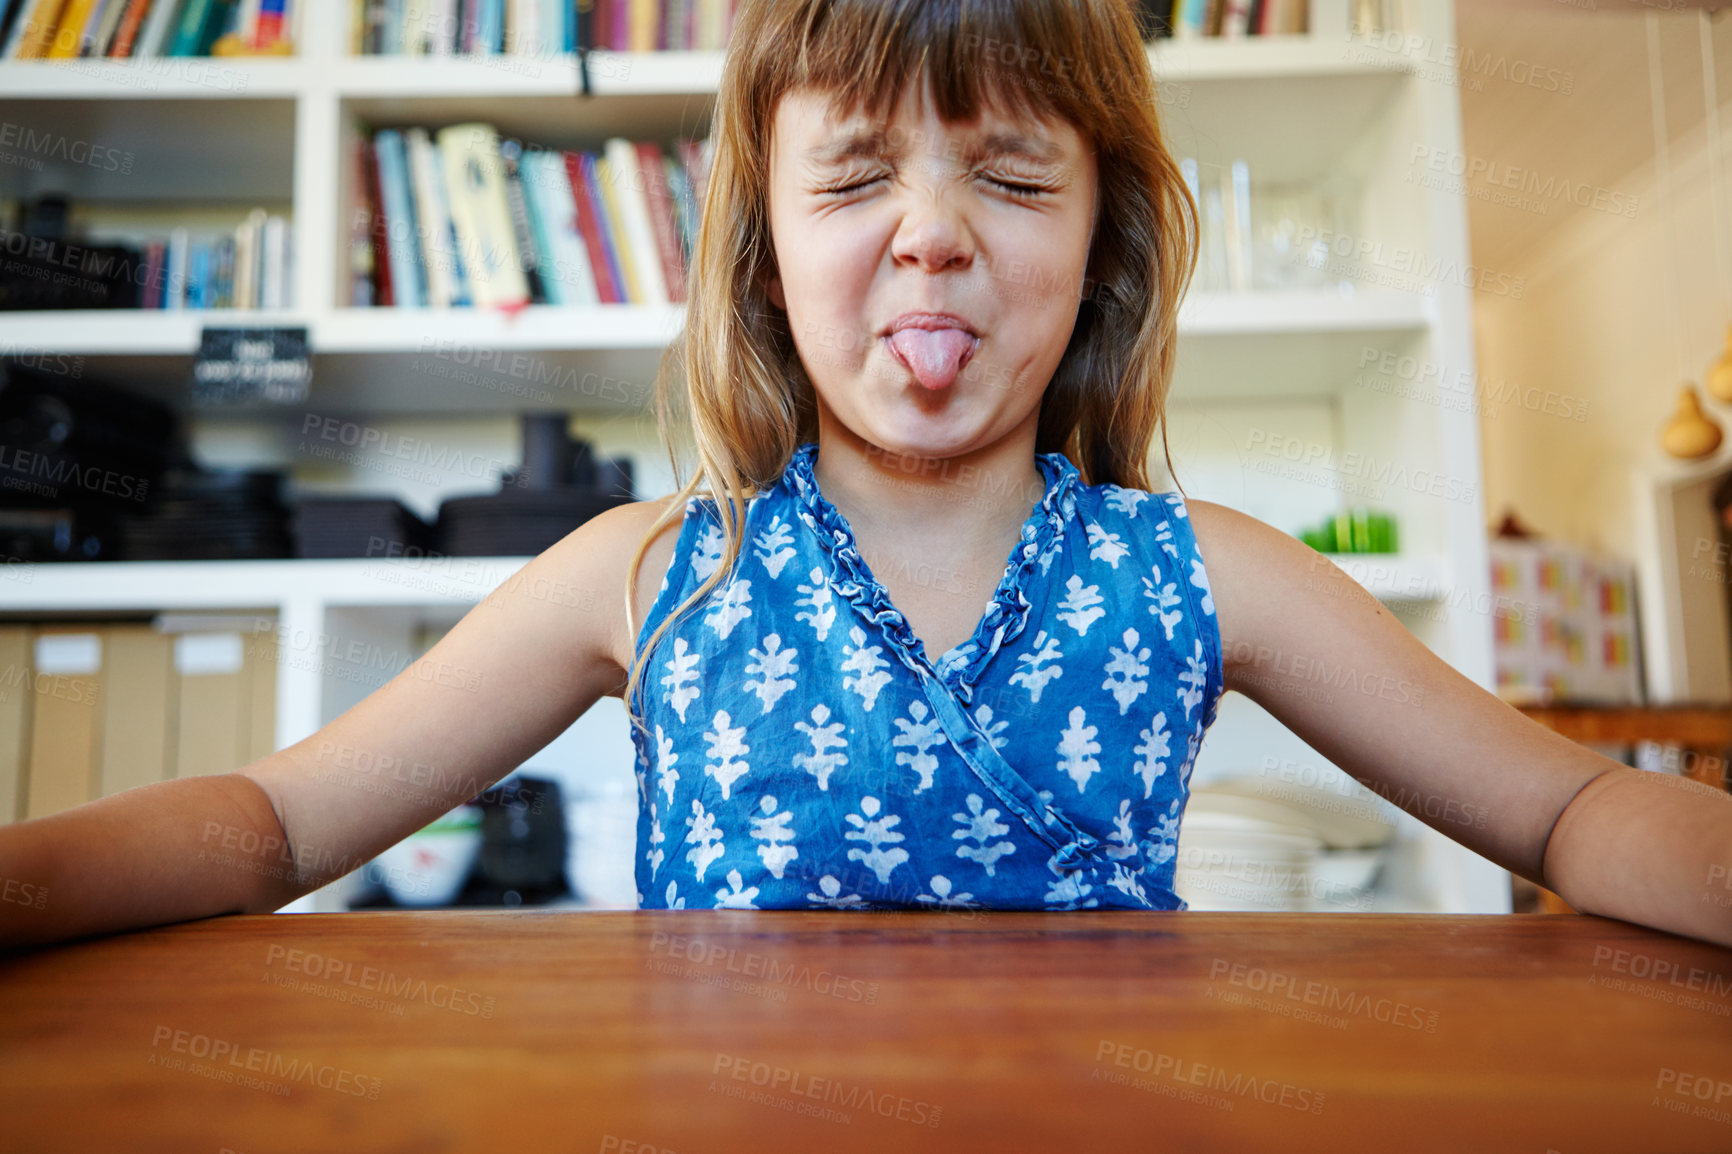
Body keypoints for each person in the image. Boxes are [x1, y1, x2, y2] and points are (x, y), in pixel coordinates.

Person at [3, 0, 1729, 949]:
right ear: (762, 255)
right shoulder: (640, 570)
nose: (930, 237)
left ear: (1103, 247)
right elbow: (276, 822)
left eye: (1009, 174)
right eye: (853, 180)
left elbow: (1569, 807)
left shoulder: (1207, 572)